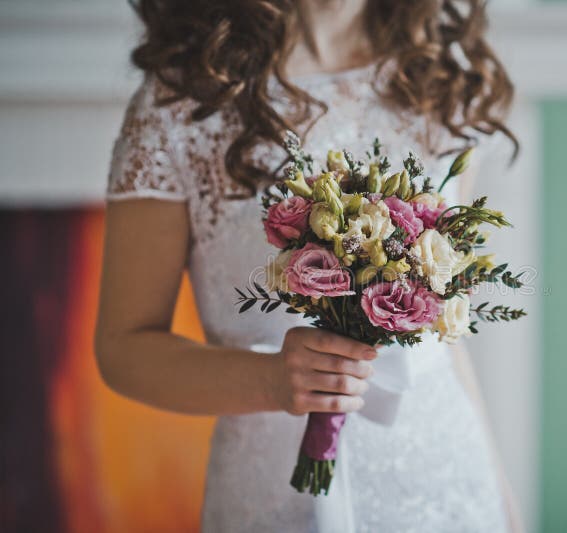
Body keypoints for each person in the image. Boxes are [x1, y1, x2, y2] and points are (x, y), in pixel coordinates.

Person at [94, 1, 522, 531]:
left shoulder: (437, 79)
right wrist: (271, 381)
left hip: (446, 481)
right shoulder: (183, 104)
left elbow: (444, 342)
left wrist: (503, 504)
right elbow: (124, 347)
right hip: (273, 497)